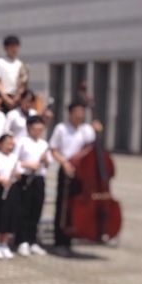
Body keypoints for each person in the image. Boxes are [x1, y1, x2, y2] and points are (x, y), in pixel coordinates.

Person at [49, 101, 98, 256]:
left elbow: (91, 149)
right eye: (77, 111)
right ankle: (59, 241)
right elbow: (53, 149)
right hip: (67, 168)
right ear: (70, 113)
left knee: (75, 207)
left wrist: (97, 131)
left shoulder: (86, 130)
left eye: (82, 111)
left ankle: (71, 239)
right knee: (63, 208)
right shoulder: (61, 128)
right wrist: (64, 163)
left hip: (82, 172)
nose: (80, 115)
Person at [15, 115, 50, 257]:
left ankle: (32, 240)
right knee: (24, 209)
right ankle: (22, 241)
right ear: (29, 128)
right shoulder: (22, 141)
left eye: (41, 129)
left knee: (36, 209)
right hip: (26, 178)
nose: (38, 131)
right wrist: (28, 164)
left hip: (39, 178)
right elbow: (14, 160)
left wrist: (45, 160)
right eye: (36, 128)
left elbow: (47, 164)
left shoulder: (43, 144)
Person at [0, 134, 21, 259]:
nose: (9, 146)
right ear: (0, 144)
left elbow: (19, 176)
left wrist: (16, 175)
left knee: (9, 216)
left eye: (11, 143)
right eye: (7, 143)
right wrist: (1, 180)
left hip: (11, 189)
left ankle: (4, 244)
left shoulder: (14, 157)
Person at [0, 35, 24, 111]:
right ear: (5, 48)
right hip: (2, 97)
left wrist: (17, 97)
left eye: (16, 46)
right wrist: (6, 98)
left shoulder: (20, 64)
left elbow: (22, 83)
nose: (14, 49)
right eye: (12, 46)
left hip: (16, 98)